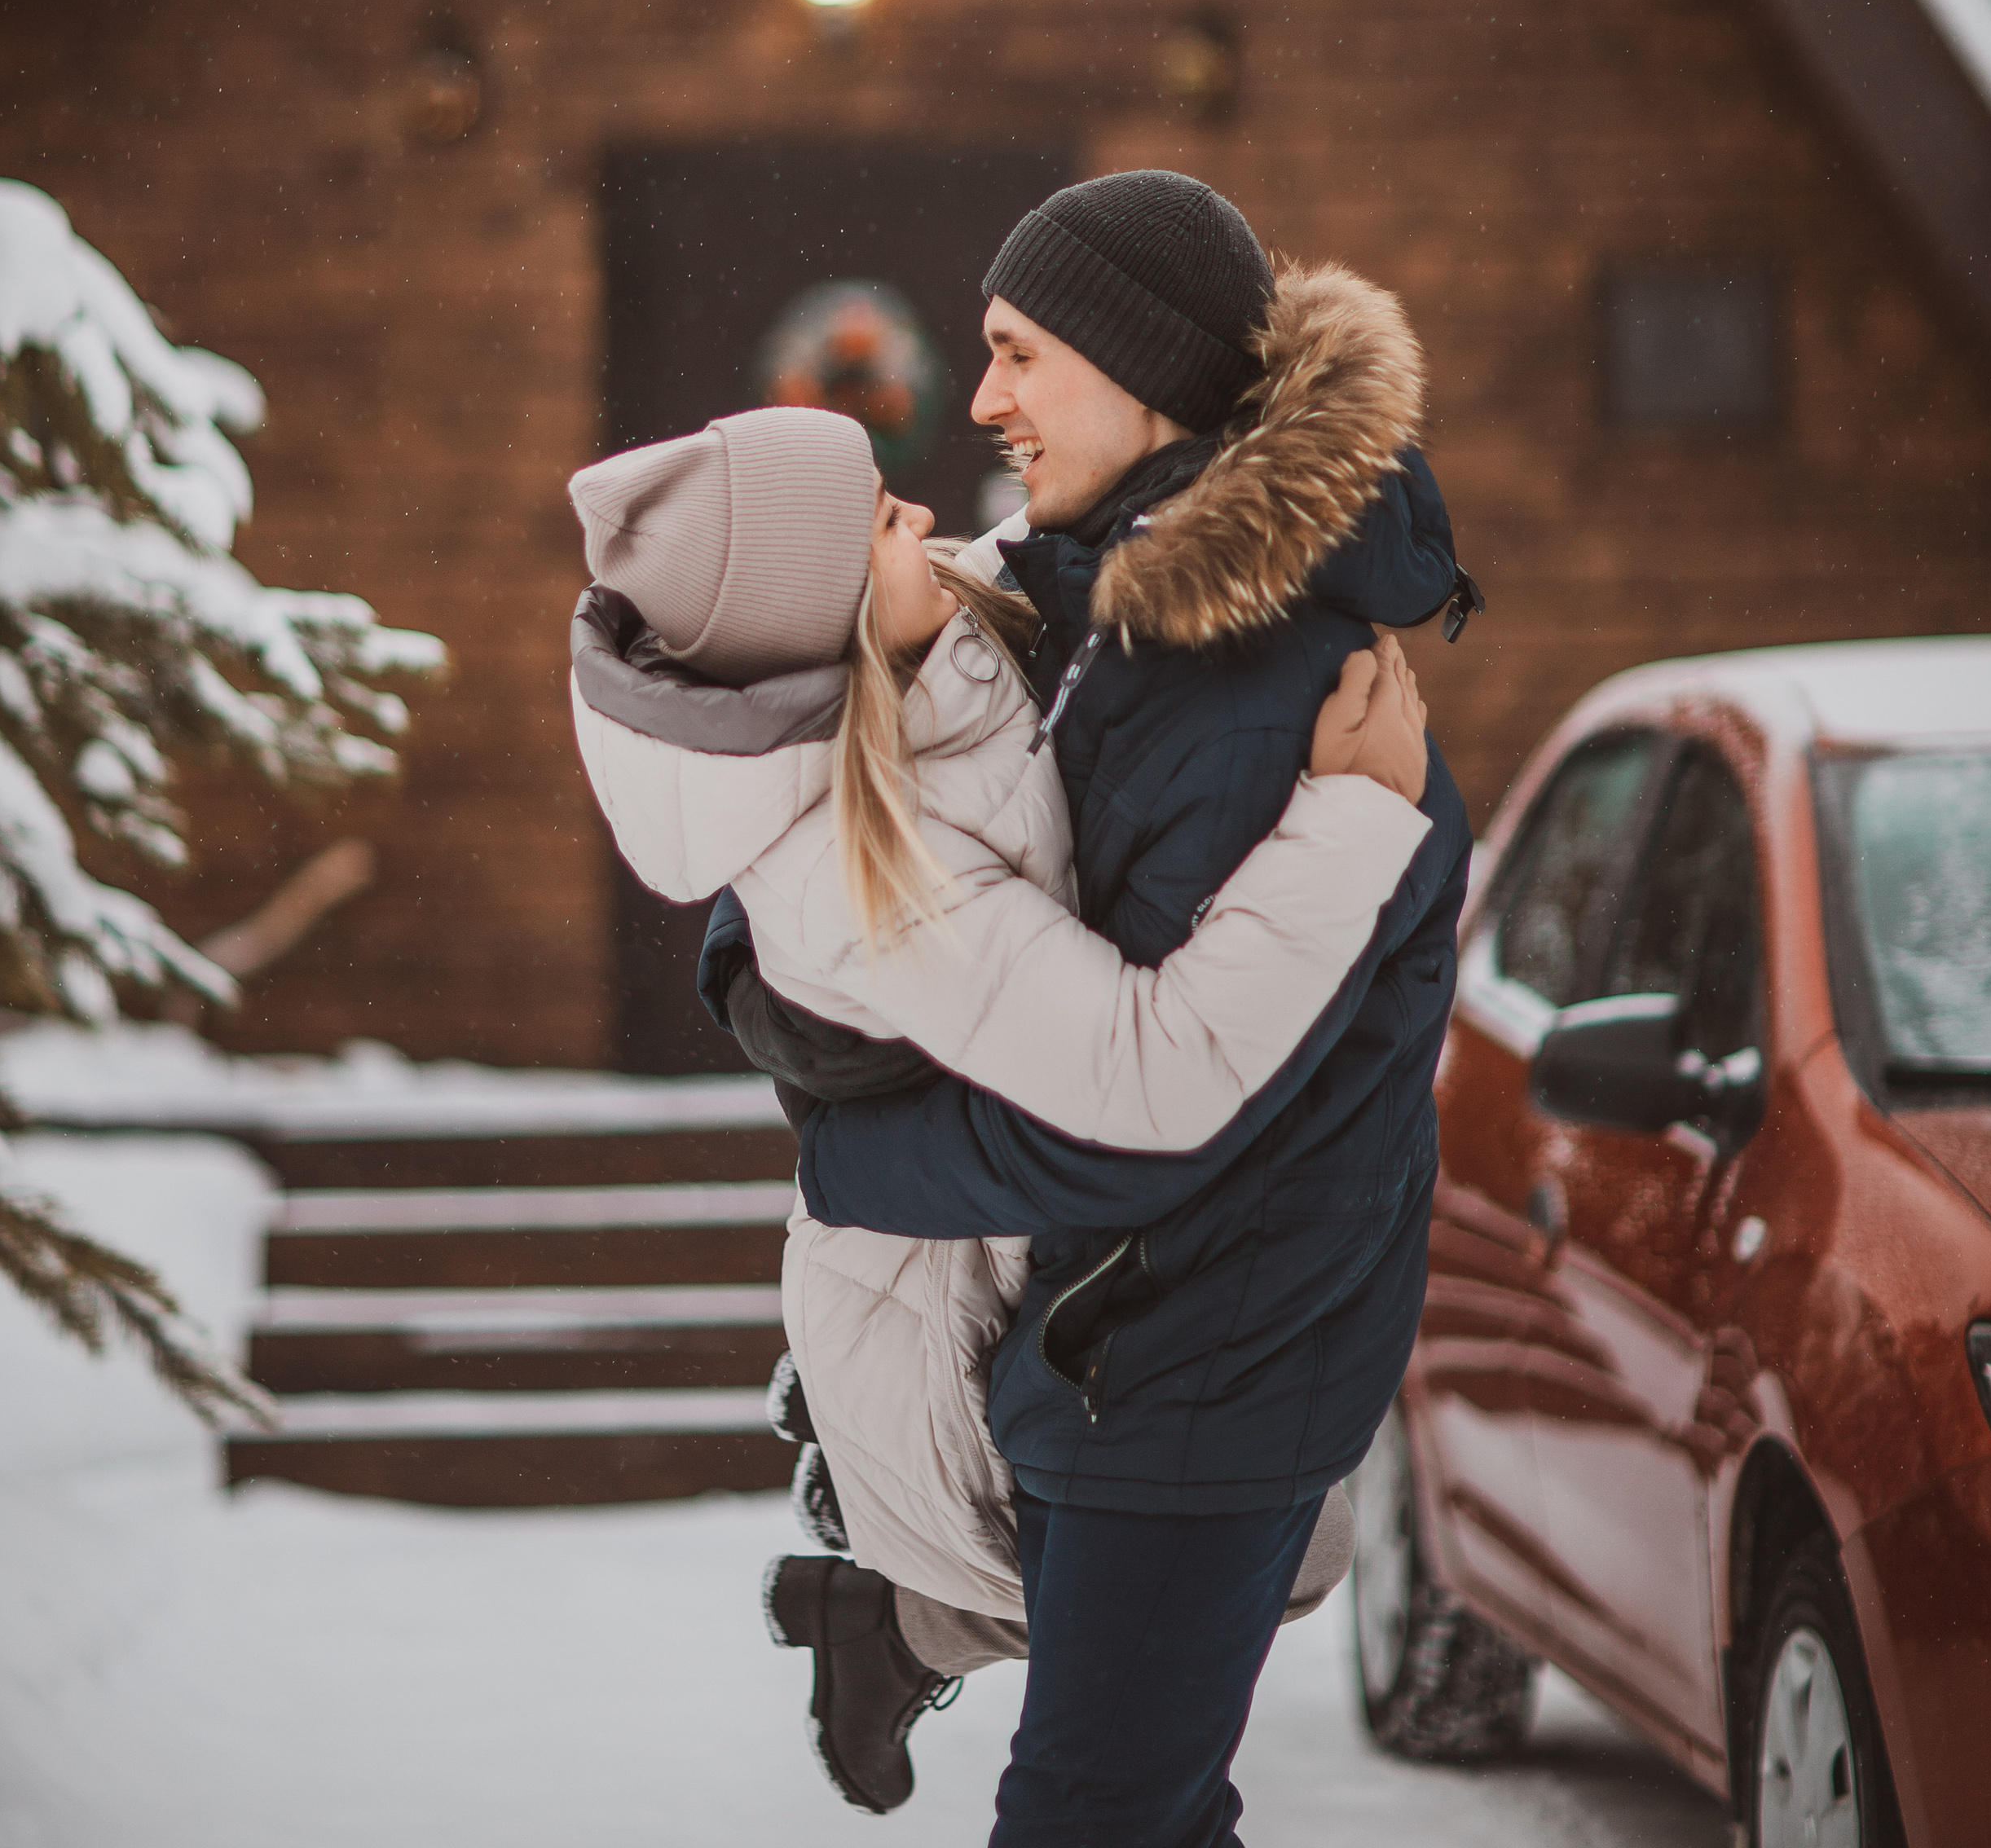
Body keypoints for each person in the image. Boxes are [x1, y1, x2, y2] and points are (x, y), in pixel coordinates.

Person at [566, 398, 1436, 1811]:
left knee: (1256, 1568)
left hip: (998, 1223)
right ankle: (894, 1610)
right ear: (832, 614)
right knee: (1222, 1597)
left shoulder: (910, 637)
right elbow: (1150, 1074)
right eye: (877, 519)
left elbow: (1059, 541)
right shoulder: (865, 878)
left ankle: (894, 1618)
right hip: (959, 1278)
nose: (923, 513)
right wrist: (1354, 812)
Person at [777, 172, 1477, 1848]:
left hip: (1197, 1355)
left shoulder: (1241, 683)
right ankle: (902, 1620)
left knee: (1095, 1815)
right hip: (1121, 1339)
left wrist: (848, 1160)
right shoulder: (1101, 604)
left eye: (1019, 354)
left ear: (1138, 366)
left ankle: (902, 1622)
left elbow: (1140, 1120)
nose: (985, 399)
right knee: (1142, 1808)